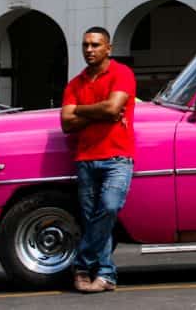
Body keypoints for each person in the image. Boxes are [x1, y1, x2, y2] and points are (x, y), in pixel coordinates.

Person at [59, 27, 135, 293]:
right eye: (85, 45)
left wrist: (81, 110)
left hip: (117, 158)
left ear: (108, 48)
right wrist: (98, 111)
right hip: (85, 159)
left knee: (110, 208)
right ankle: (106, 275)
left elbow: (114, 107)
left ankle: (80, 265)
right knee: (93, 219)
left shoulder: (122, 73)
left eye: (95, 45)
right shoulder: (75, 83)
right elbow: (67, 123)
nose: (89, 50)